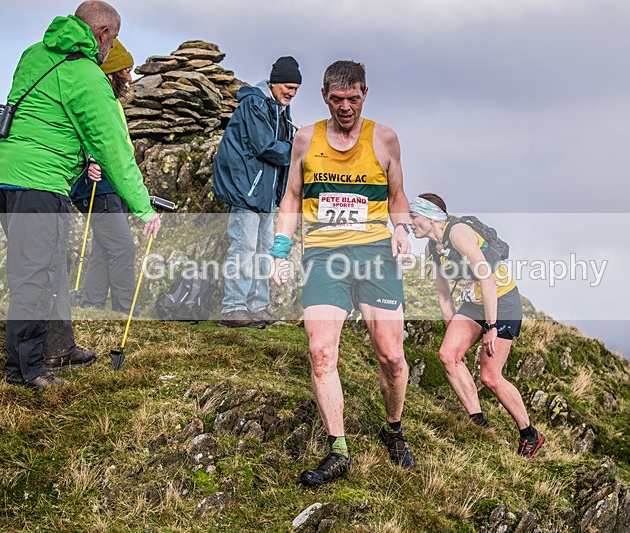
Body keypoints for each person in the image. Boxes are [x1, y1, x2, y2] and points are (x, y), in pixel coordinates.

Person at [0, 1, 160, 389]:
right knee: (34, 277)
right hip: (39, 182)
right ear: (102, 33)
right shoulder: (86, 75)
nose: (111, 47)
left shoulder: (33, 54)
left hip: (4, 175)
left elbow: (45, 116)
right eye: (113, 38)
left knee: (48, 269)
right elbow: (114, 148)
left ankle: (58, 347)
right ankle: (25, 371)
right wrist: (143, 206)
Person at [271, 60, 416, 486]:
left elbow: (397, 194)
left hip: (375, 254)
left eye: (353, 99)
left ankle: (393, 429)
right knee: (321, 353)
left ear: (365, 94)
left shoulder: (384, 138)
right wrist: (280, 249)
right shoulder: (305, 138)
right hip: (324, 255)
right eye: (337, 99)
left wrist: (402, 229)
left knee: (391, 357)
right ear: (324, 96)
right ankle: (338, 450)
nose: (346, 107)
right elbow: (292, 197)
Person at [408, 193, 545, 458]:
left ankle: (530, 434)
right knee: (448, 354)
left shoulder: (458, 232)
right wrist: (453, 329)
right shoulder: (432, 249)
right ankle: (478, 422)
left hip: (502, 301)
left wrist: (491, 327)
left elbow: (488, 280)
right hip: (473, 304)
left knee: (490, 377)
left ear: (430, 217)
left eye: (414, 217)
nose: (409, 222)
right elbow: (444, 295)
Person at [212, 56, 301, 328]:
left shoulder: (279, 108)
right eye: (288, 86)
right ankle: (233, 308)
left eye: (296, 89)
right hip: (246, 191)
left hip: (263, 194)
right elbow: (266, 147)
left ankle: (257, 306)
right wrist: (299, 147)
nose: (292, 93)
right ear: (274, 82)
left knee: (263, 250)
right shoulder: (255, 103)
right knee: (244, 248)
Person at [69, 38, 137, 314]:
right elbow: (81, 130)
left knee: (104, 247)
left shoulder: (111, 101)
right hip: (99, 185)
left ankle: (92, 304)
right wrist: (88, 162)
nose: (130, 78)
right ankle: (125, 312)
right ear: (110, 73)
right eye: (126, 72)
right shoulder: (96, 97)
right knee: (123, 248)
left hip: (111, 185)